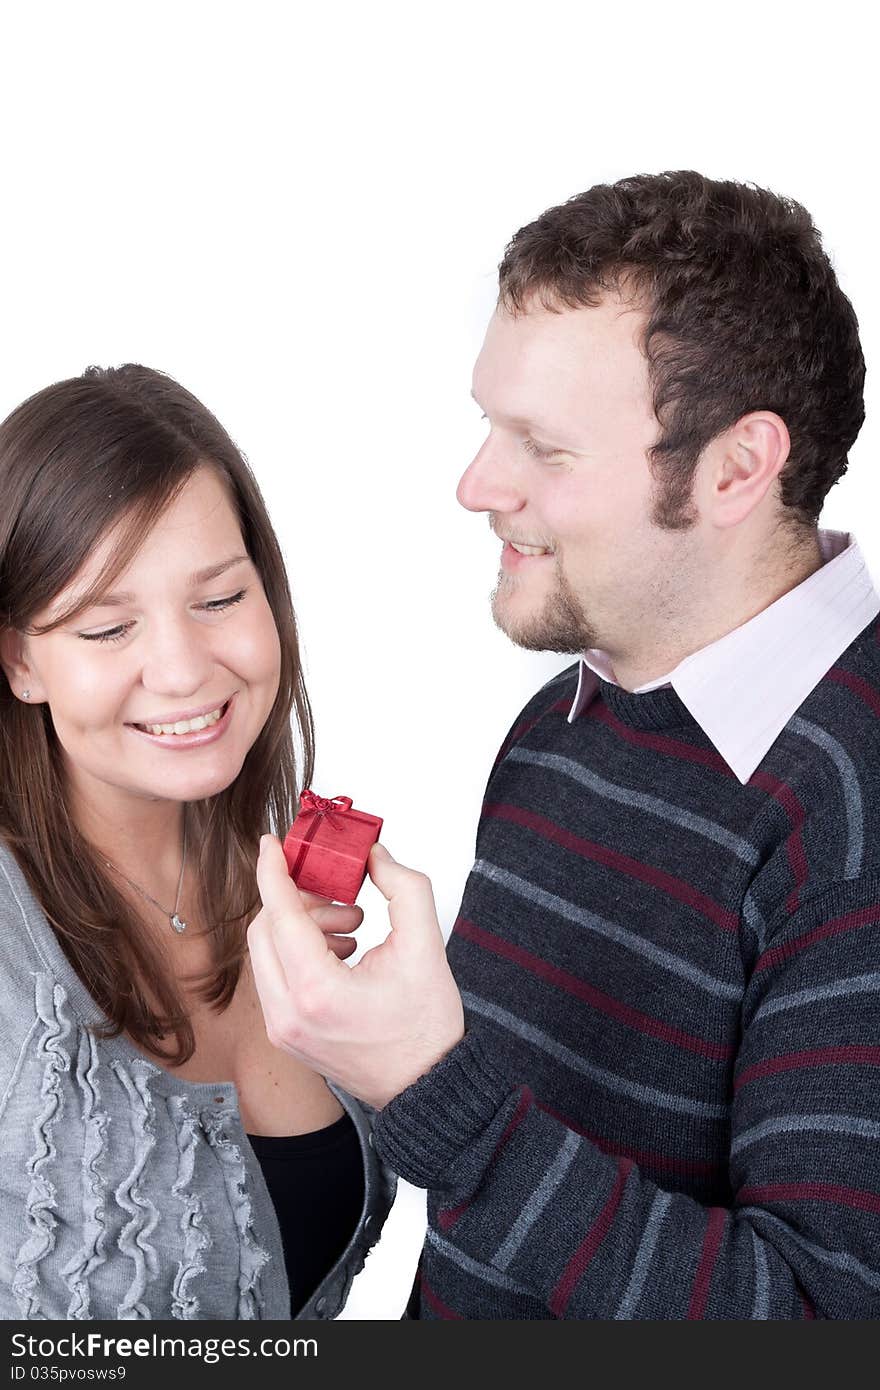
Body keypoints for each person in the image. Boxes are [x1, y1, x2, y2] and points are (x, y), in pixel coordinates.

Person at [247, 170, 880, 1318]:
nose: (476, 484)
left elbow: (821, 1326)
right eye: (488, 424)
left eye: (542, 446)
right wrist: (361, 1049)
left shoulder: (849, 813)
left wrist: (441, 1095)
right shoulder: (565, 721)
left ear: (737, 468)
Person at [0, 365, 395, 1320]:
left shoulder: (290, 898)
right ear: (19, 660)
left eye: (218, 600)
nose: (181, 670)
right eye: (106, 627)